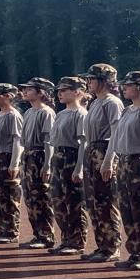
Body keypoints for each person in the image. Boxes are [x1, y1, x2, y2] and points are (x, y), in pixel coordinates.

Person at [101, 71, 140, 271]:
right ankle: (135, 251)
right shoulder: (127, 111)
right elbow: (116, 138)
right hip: (124, 163)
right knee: (127, 210)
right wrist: (110, 161)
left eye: (129, 85)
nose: (124, 88)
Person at [79, 64, 124, 263]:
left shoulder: (112, 103)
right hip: (92, 151)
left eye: (92, 79)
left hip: (104, 151)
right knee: (94, 202)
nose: (88, 82)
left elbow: (116, 134)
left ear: (104, 81)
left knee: (107, 201)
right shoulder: (95, 102)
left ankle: (112, 246)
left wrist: (109, 161)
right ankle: (102, 245)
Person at [48, 77, 90, 255]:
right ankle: (66, 238)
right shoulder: (60, 114)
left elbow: (83, 144)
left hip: (72, 157)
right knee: (59, 201)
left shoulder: (81, 114)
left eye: (64, 90)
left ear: (77, 92)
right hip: (58, 158)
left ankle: (77, 241)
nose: (60, 93)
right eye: (59, 90)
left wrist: (79, 168)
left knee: (74, 202)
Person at [18, 77, 58, 250]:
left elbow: (49, 141)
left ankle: (46, 235)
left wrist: (47, 164)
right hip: (28, 155)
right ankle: (38, 234)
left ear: (41, 92)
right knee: (30, 197)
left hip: (40, 155)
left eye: (29, 89)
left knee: (41, 196)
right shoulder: (28, 112)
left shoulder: (46, 113)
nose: (25, 92)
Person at [0, 83, 24, 244]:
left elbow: (17, 140)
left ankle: (11, 232)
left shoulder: (13, 116)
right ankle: (2, 230)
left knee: (9, 196)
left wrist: (14, 163)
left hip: (6, 158)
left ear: (8, 96)